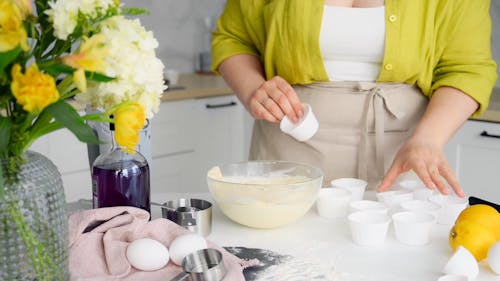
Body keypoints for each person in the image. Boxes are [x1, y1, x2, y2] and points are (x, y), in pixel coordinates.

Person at [211, 0, 498, 196]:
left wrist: (428, 140)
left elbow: (466, 68)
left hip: (404, 151)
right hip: (290, 145)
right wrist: (252, 89)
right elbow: (233, 37)